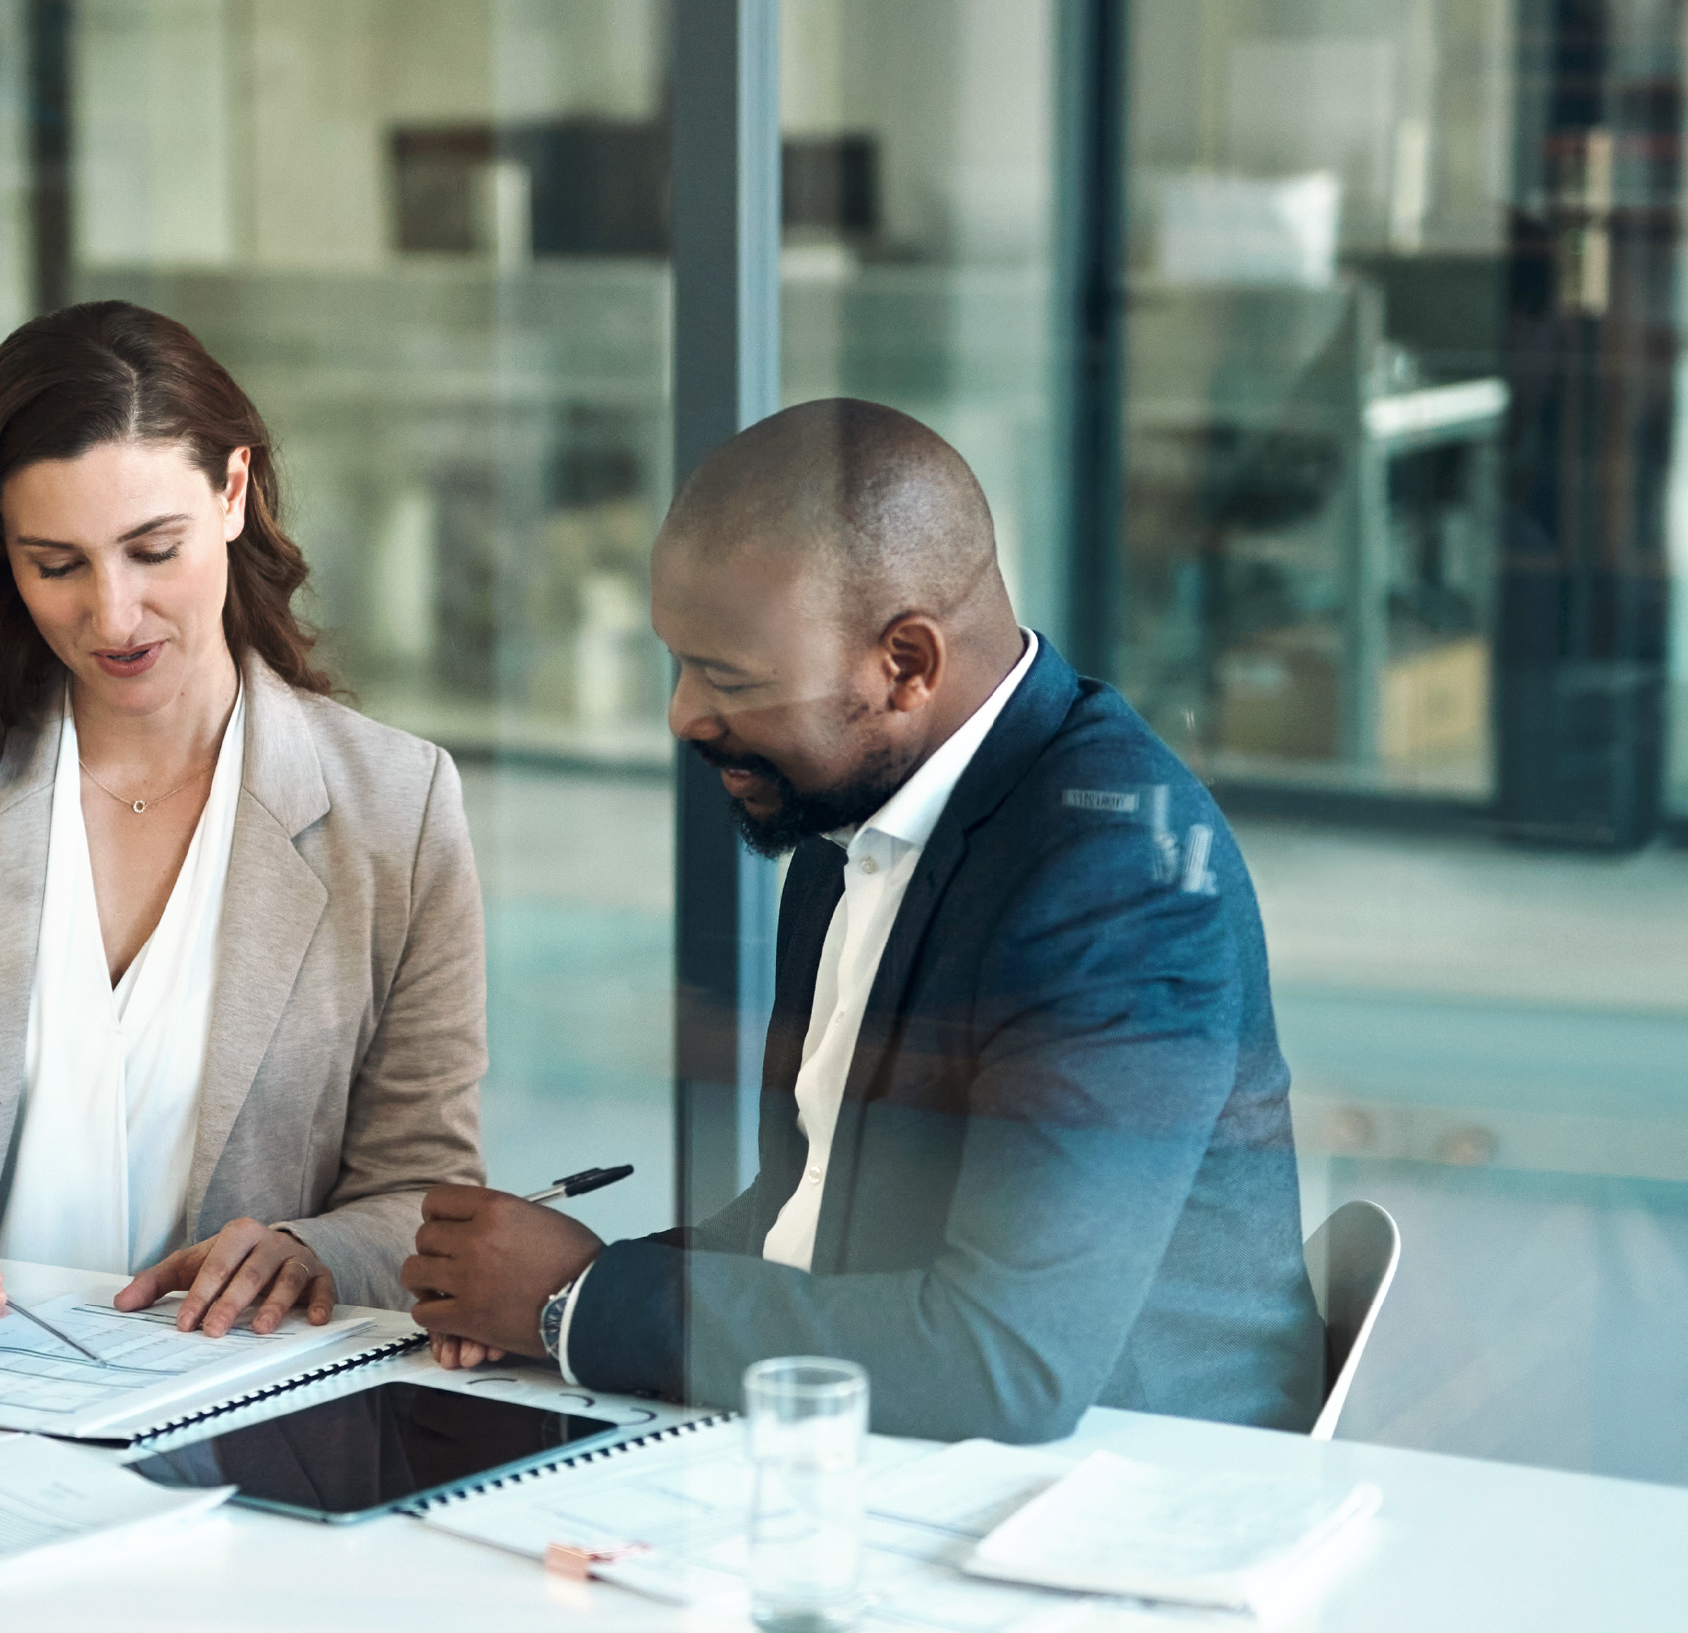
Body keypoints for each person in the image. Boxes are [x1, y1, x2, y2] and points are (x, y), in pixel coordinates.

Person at [406, 399, 1324, 1442]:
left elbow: (1003, 1362)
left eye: (731, 678)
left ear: (907, 665)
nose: (683, 716)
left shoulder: (1117, 883)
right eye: (679, 662)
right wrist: (556, 1287)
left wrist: (580, 1305)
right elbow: (813, 1209)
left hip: (1121, 1497)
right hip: (909, 1458)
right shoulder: (856, 808)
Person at [0, 301, 487, 1367]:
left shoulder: (396, 806)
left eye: (152, 549)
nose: (114, 616)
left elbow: (424, 1190)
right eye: (57, 564)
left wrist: (314, 1253)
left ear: (232, 491)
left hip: (244, 1403)